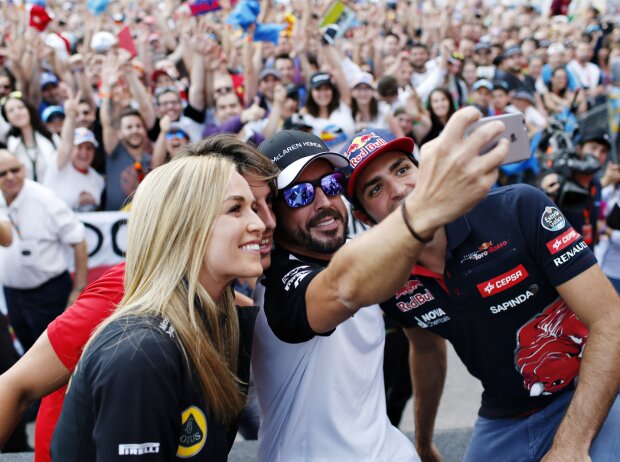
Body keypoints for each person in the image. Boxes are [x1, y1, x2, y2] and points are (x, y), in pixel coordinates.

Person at [342, 126, 620, 462]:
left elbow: (611, 319)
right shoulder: (388, 279)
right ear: (363, 216)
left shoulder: (518, 208)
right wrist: (424, 441)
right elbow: (426, 351)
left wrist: (571, 445)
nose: (400, 190)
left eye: (402, 169)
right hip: (504, 414)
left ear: (424, 172)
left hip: (593, 389)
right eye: (376, 189)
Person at [0, 135, 279, 462]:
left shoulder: (217, 295)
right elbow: (15, 386)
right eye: (238, 207)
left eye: (266, 204)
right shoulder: (127, 294)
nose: (265, 222)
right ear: (188, 217)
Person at [253, 109, 508, 462]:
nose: (324, 204)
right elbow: (342, 288)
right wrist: (425, 207)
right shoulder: (276, 282)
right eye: (299, 196)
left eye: (331, 186)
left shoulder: (370, 260)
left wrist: (422, 439)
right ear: (273, 210)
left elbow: (427, 348)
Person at [0, 150, 87, 352]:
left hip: (49, 295)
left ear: (23, 169)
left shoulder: (45, 199)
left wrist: (78, 289)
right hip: (13, 296)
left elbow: (79, 240)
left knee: (56, 357)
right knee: (28, 354)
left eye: (15, 170)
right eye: (2, 174)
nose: (10, 177)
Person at [1, 92, 59, 182]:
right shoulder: (9, 143)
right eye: (11, 111)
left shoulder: (49, 136)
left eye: (20, 107)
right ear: (7, 118)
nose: (17, 113)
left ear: (28, 109)